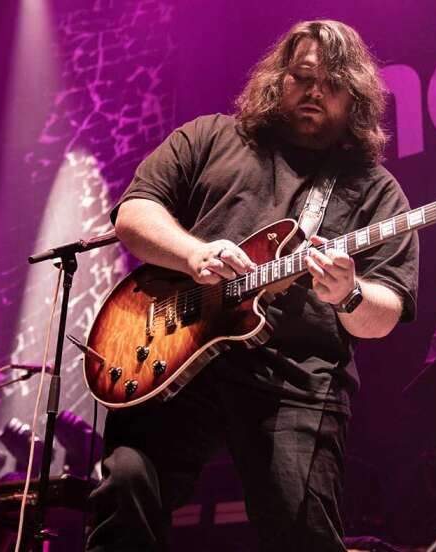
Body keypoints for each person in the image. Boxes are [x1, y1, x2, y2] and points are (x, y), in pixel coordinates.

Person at [87, 20, 419, 551]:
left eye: (333, 83)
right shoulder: (210, 137)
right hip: (177, 352)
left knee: (302, 533)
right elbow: (134, 214)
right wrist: (194, 252)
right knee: (126, 489)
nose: (314, 91)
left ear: (355, 98)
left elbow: (385, 311)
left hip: (296, 379)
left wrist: (348, 293)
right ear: (277, 79)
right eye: (303, 76)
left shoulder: (375, 191)